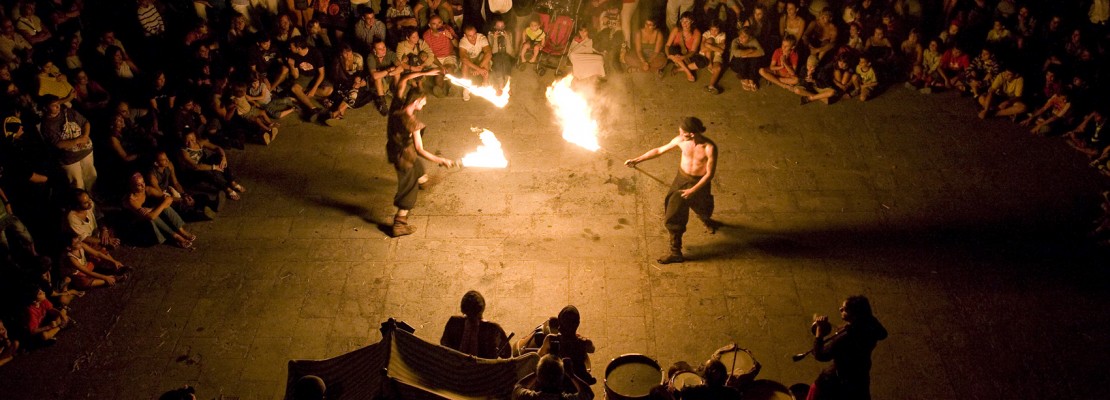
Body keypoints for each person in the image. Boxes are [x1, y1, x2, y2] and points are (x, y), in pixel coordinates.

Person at [625, 117, 718, 264]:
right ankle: (676, 253)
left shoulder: (709, 148)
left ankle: (706, 220)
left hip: (699, 183)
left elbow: (709, 175)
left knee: (704, 207)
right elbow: (659, 150)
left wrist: (693, 190)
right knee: (673, 214)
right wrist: (637, 160)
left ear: (692, 134)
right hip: (681, 180)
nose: (680, 135)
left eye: (683, 132)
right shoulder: (680, 140)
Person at [386, 89, 455, 237]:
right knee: (409, 190)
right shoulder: (413, 123)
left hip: (395, 149)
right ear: (416, 101)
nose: (425, 103)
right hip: (404, 157)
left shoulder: (396, 108)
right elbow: (420, 150)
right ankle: (399, 224)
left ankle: (423, 181)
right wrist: (441, 160)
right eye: (423, 100)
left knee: (418, 167)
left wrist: (426, 73)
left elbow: (402, 81)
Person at [806, 295, 887, 400]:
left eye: (844, 309)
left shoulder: (846, 338)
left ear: (854, 315)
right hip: (859, 377)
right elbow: (883, 333)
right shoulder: (870, 325)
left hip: (836, 380)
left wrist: (819, 331)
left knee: (815, 390)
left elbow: (821, 355)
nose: (840, 309)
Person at [39, 94, 96, 193]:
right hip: (69, 159)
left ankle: (92, 198)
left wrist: (85, 136)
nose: (58, 107)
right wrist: (78, 140)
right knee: (77, 183)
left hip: (85, 151)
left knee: (92, 177)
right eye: (53, 105)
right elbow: (58, 144)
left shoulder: (69, 112)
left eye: (58, 104)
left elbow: (85, 122)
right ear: (45, 108)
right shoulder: (46, 125)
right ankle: (80, 203)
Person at [123, 172, 196, 249]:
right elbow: (151, 217)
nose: (143, 186)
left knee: (165, 208)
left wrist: (151, 208)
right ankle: (175, 236)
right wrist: (158, 207)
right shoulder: (131, 200)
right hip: (137, 225)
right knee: (153, 216)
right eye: (139, 185)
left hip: (149, 216)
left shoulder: (147, 189)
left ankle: (181, 231)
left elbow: (169, 199)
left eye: (143, 182)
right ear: (132, 187)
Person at [440, 290, 510, 358]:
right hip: (480, 368)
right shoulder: (493, 328)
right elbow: (506, 354)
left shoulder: (454, 322)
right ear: (482, 309)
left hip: (457, 367)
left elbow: (444, 345)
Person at [537, 305, 596, 385]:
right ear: (577, 323)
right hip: (577, 383)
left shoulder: (550, 339)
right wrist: (581, 338)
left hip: (556, 382)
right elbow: (592, 349)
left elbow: (539, 355)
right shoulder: (584, 343)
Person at [512, 354, 595, 400]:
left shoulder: (527, 398)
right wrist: (571, 375)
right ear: (561, 379)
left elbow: (518, 387)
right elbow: (588, 394)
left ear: (539, 378)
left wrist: (537, 373)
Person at [674, 360, 740, 399]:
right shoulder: (733, 393)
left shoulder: (692, 391)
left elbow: (683, 391)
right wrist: (728, 387)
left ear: (705, 375)